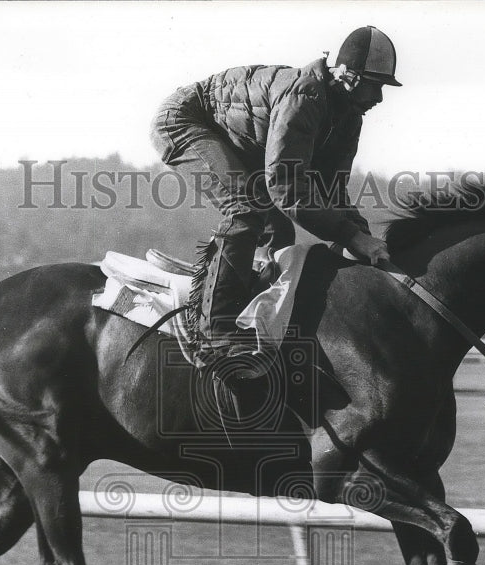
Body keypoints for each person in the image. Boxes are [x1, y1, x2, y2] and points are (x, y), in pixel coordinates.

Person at [150, 26, 400, 384]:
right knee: (245, 208)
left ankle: (256, 323)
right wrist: (349, 237)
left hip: (243, 143)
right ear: (347, 75)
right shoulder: (306, 94)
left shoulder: (348, 117)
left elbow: (332, 192)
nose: (379, 96)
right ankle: (215, 331)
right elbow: (284, 186)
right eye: (375, 84)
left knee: (279, 237)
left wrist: (363, 241)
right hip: (185, 120)